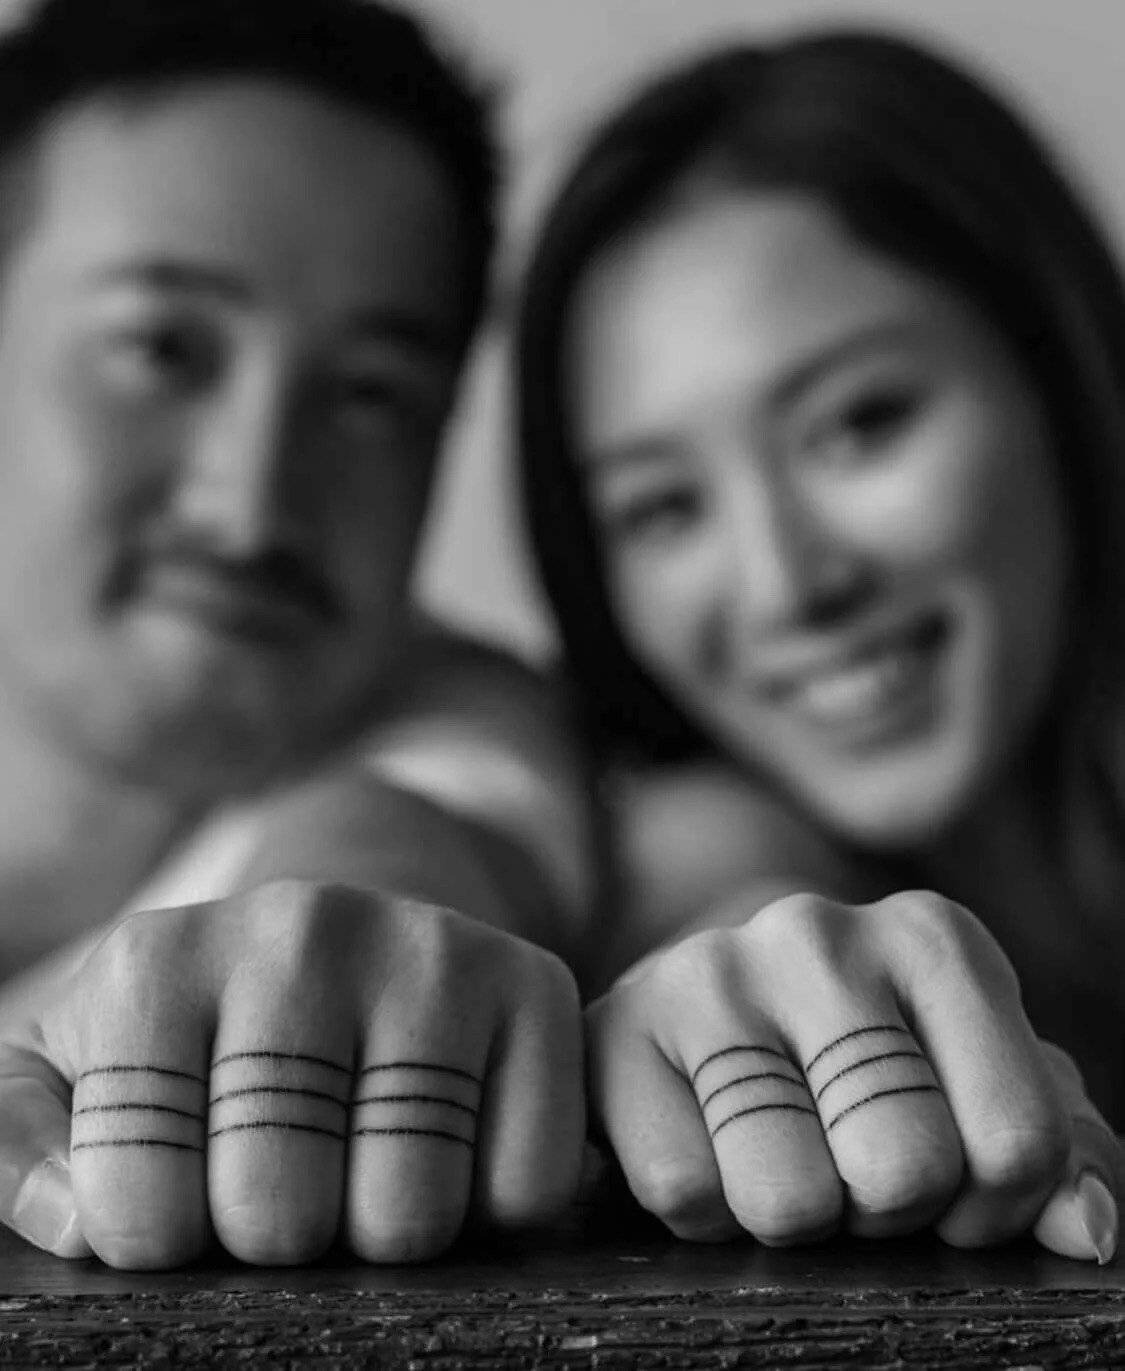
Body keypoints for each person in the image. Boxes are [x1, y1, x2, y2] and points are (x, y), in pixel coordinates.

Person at [513, 30, 1125, 1263]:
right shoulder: (649, 850)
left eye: (860, 423)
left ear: (1057, 373)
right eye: (663, 508)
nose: (787, 586)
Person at [0, 0, 590, 1269]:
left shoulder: (463, 721)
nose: (252, 506)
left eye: (372, 394)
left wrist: (358, 918)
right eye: (163, 348)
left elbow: (422, 839)